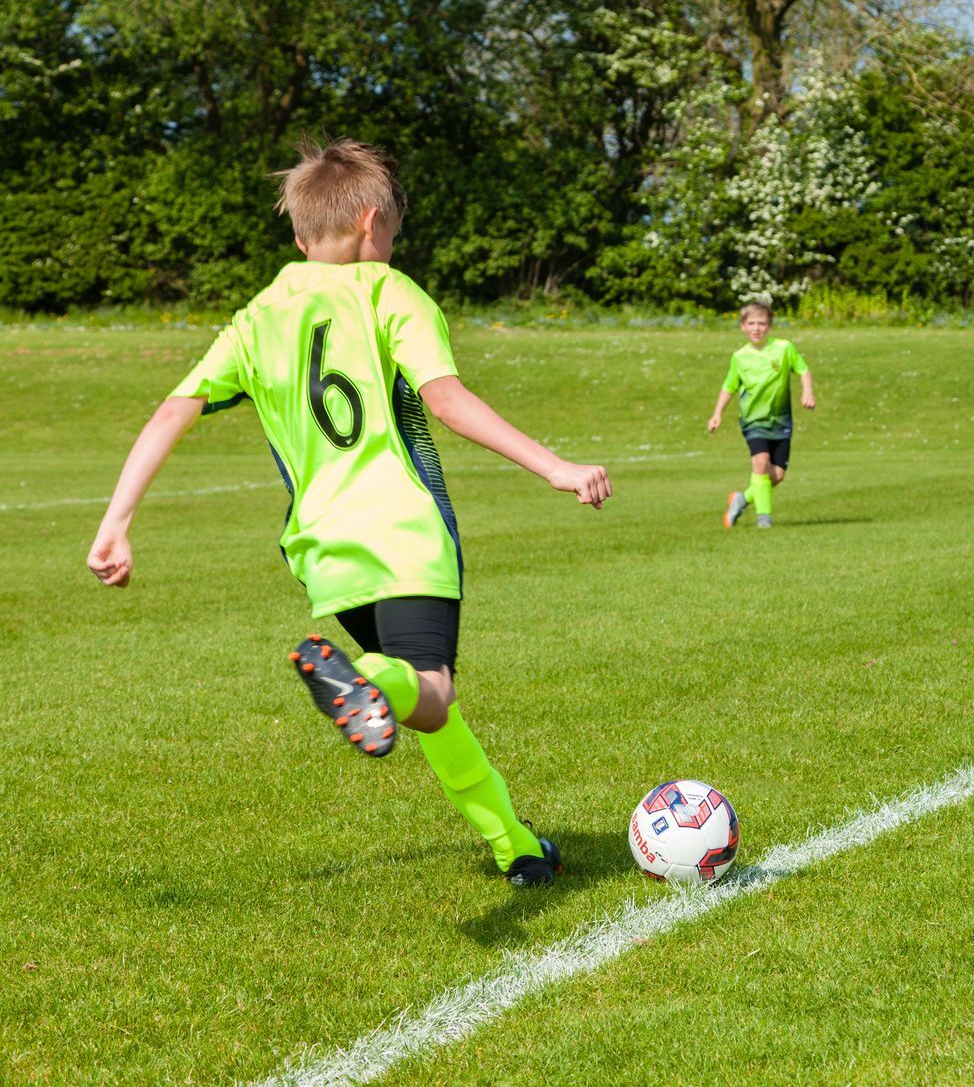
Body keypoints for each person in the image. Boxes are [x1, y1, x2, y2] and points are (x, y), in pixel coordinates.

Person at [85, 138, 609, 888]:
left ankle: (517, 845)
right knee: (425, 691)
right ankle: (366, 681)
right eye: (392, 232)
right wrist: (556, 467)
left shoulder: (255, 318)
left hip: (324, 549)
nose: (392, 247)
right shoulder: (390, 293)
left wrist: (116, 521)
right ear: (372, 222)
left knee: (430, 707)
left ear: (300, 238)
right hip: (402, 530)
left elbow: (175, 410)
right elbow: (446, 400)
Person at [706, 302, 815, 529]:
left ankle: (741, 499)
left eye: (762, 323)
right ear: (743, 327)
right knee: (760, 464)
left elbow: (803, 370)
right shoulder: (740, 357)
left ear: (770, 326)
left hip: (781, 421)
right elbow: (729, 386)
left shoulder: (784, 348)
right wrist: (717, 414)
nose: (757, 328)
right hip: (753, 421)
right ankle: (764, 520)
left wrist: (808, 391)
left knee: (777, 475)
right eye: (752, 323)